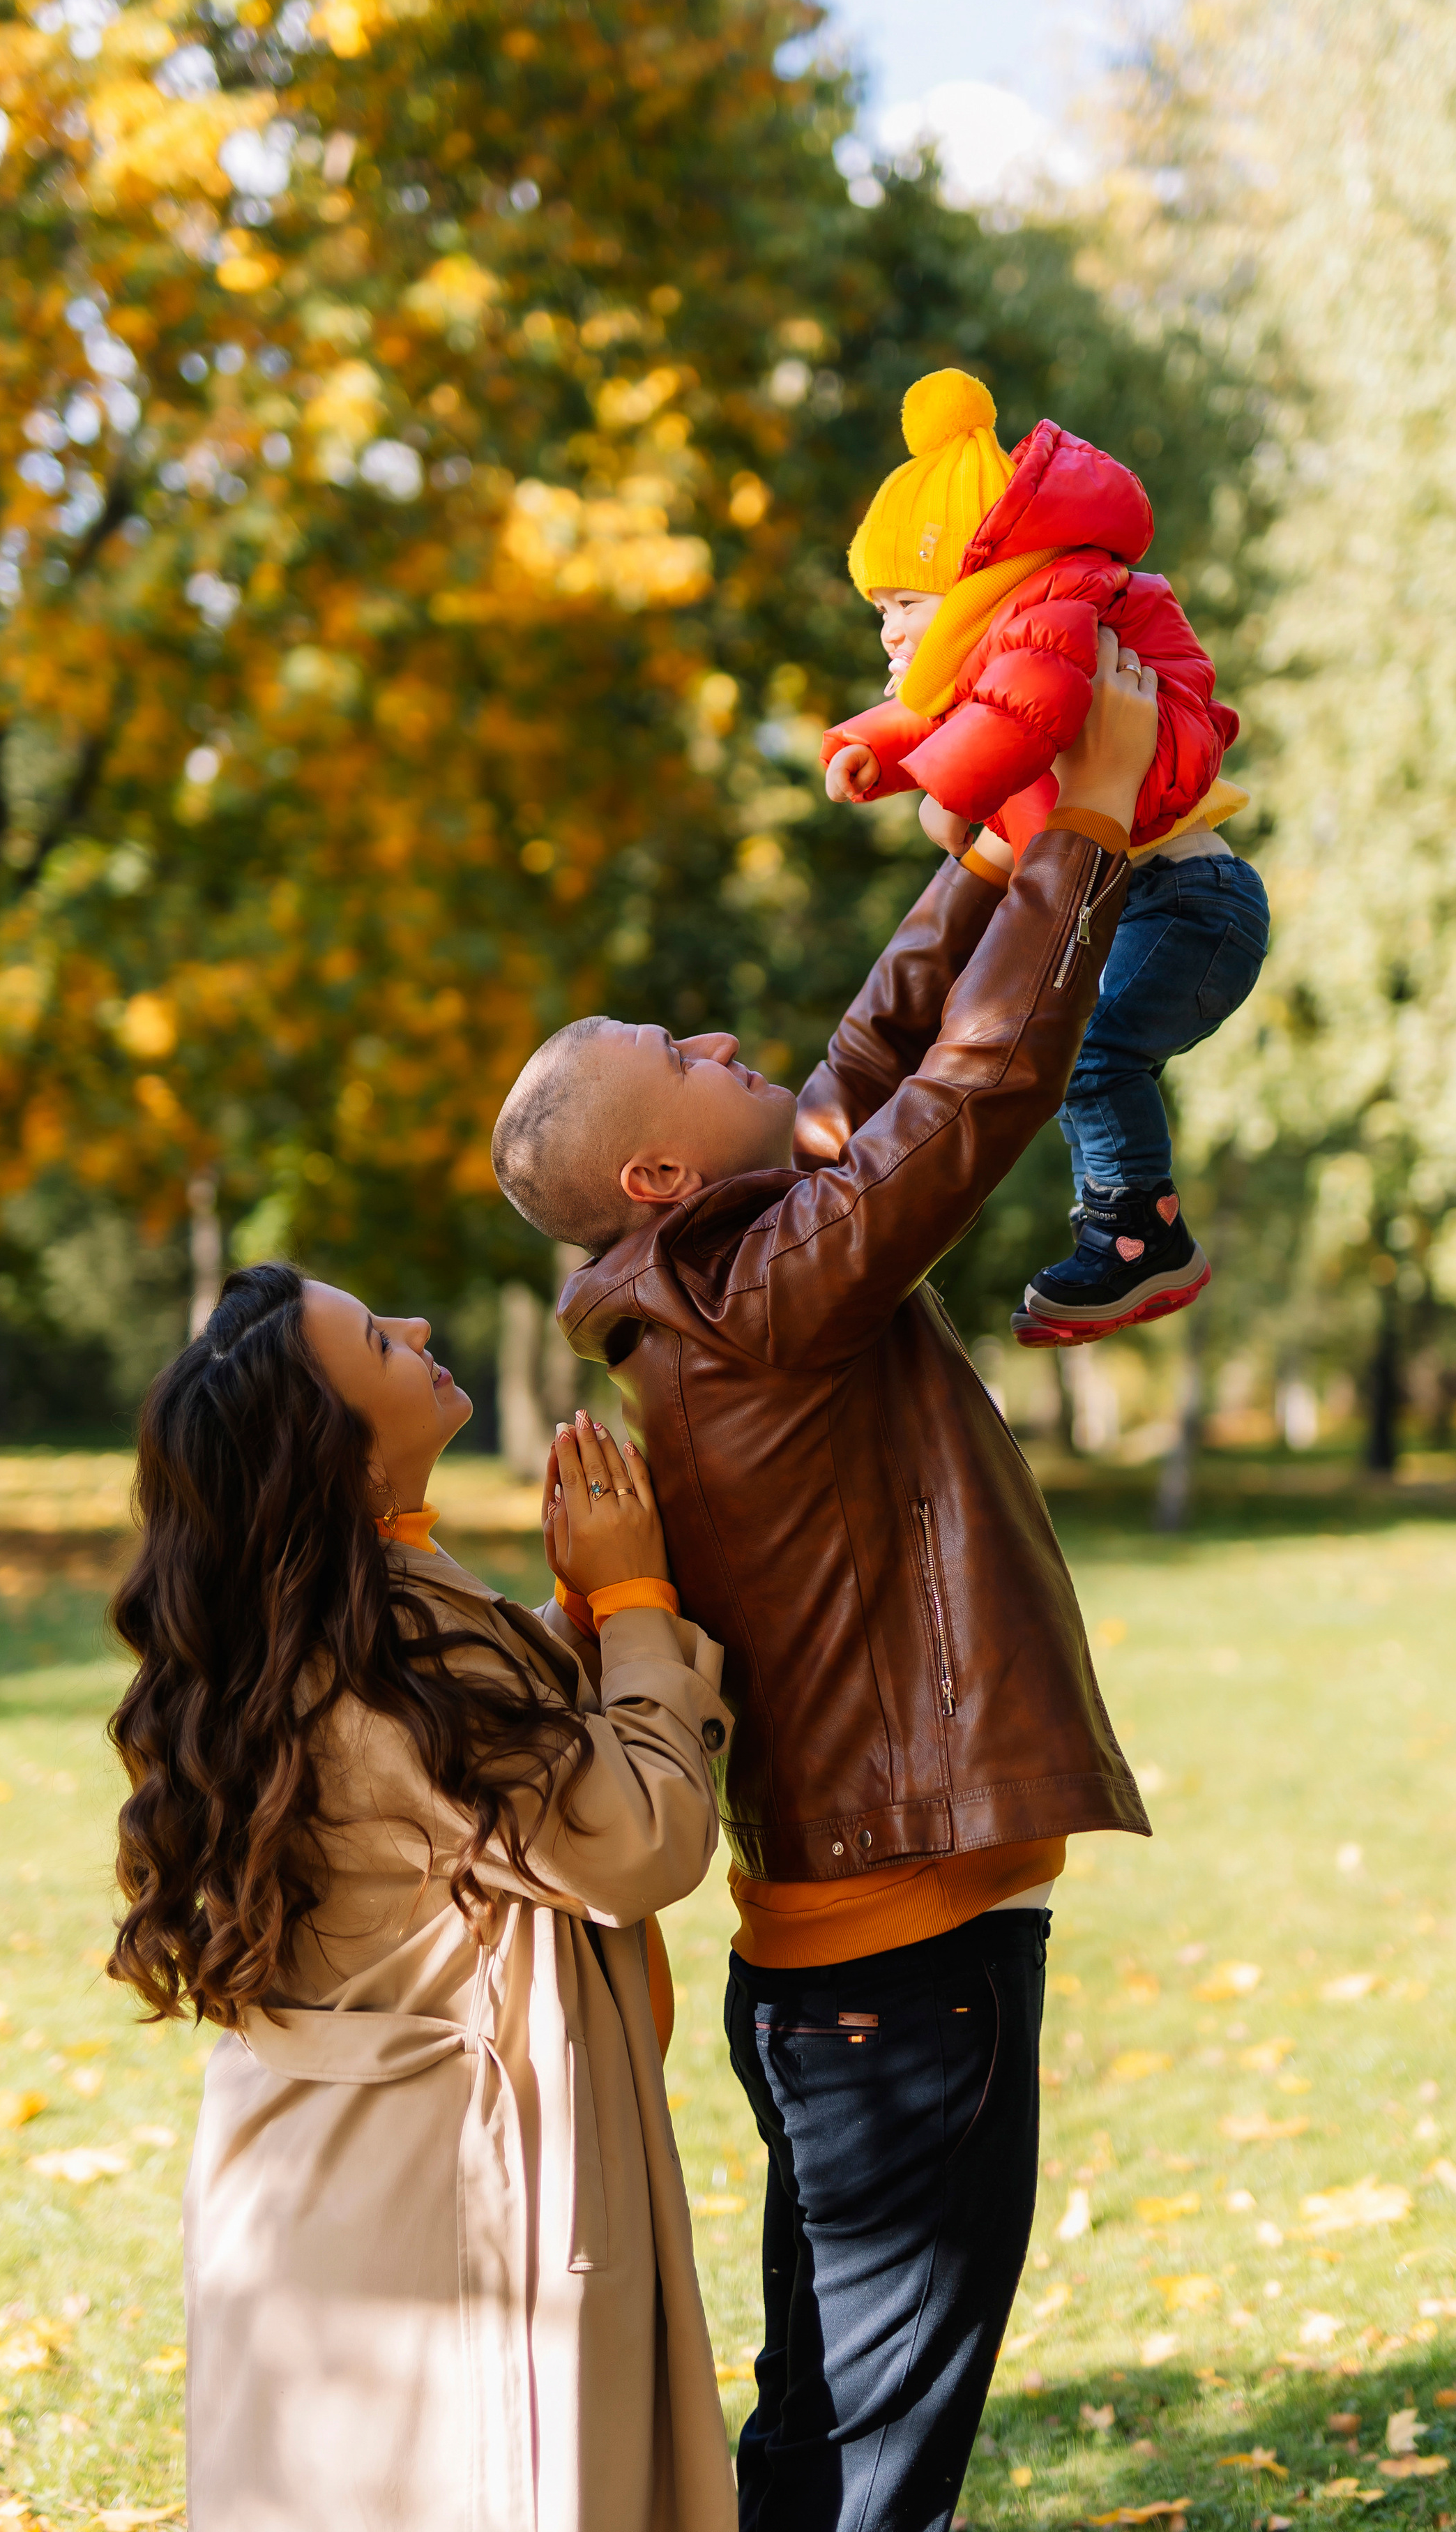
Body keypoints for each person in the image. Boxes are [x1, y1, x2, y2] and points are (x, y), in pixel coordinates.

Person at [490, 647, 1156, 2532]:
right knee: (879, 2478)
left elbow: (874, 1055)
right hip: (903, 1979)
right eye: (683, 1062)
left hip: (867, 1983)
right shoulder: (762, 1299)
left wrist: (993, 839)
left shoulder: (729, 1272)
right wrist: (1089, 834)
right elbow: (963, 1102)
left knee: (823, 2448)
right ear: (649, 1171)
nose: (723, 1042)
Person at [105, 1260, 736, 2532]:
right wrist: (634, 1606)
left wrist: (568, 1624)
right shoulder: (387, 1647)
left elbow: (477, 1793)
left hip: (324, 2179)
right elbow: (638, 1840)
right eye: (382, 1346)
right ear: (340, 1460)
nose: (421, 1324)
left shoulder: (317, 1619)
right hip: (430, 2203)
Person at [821, 366, 1270, 1348]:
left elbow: (1024, 715)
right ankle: (1129, 1225)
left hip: (1191, 903)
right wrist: (875, 753)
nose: (889, 631)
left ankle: (1136, 1235)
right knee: (1079, 1051)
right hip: (1153, 903)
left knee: (1093, 1053)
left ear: (975, 582)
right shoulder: (1017, 634)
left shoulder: (1054, 616)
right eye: (879, 610)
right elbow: (956, 716)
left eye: (904, 602)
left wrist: (949, 789)